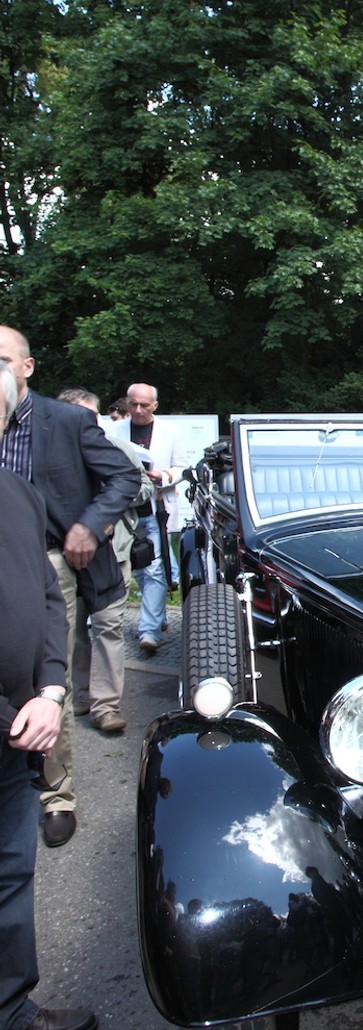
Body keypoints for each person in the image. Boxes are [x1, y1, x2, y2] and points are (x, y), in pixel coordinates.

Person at [0, 327, 141, 846]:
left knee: (43, 679)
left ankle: (55, 792)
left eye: (1, 360)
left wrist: (89, 524)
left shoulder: (67, 421)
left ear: (27, 367)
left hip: (47, 565)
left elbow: (124, 480)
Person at [0, 361, 98, 1030]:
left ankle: (8, 1006)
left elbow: (45, 598)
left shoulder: (19, 496)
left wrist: (53, 692)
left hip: (23, 715)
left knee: (10, 868)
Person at [60, 389, 153, 735]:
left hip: (113, 552)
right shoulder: (47, 453)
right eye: (85, 416)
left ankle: (105, 706)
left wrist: (112, 497)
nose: (93, 422)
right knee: (70, 627)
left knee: (107, 626)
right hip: (64, 556)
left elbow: (144, 489)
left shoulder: (117, 449)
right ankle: (79, 694)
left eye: (95, 415)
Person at [116, 382, 188, 656]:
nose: (137, 410)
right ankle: (156, 618)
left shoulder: (170, 432)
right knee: (137, 569)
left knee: (156, 570)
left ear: (154, 406)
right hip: (125, 513)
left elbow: (182, 467)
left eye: (144, 405)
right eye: (133, 404)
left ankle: (149, 630)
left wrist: (165, 476)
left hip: (156, 509)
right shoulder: (115, 430)